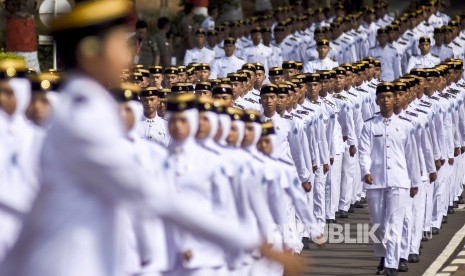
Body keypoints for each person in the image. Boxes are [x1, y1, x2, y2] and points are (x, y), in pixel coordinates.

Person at [0, 2, 264, 276]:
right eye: (120, 46)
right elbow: (149, 193)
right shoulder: (83, 120)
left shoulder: (88, 108)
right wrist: (247, 241)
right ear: (90, 53)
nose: (129, 57)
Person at [359, 82, 421, 276]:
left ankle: (392, 265)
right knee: (378, 225)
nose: (385, 100)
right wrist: (365, 171)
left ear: (395, 100)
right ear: (377, 101)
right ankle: (383, 256)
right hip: (375, 181)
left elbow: (412, 155)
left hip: (398, 181)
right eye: (382, 97)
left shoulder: (405, 125)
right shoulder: (369, 125)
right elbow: (363, 152)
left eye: (389, 97)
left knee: (394, 223)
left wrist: (414, 181)